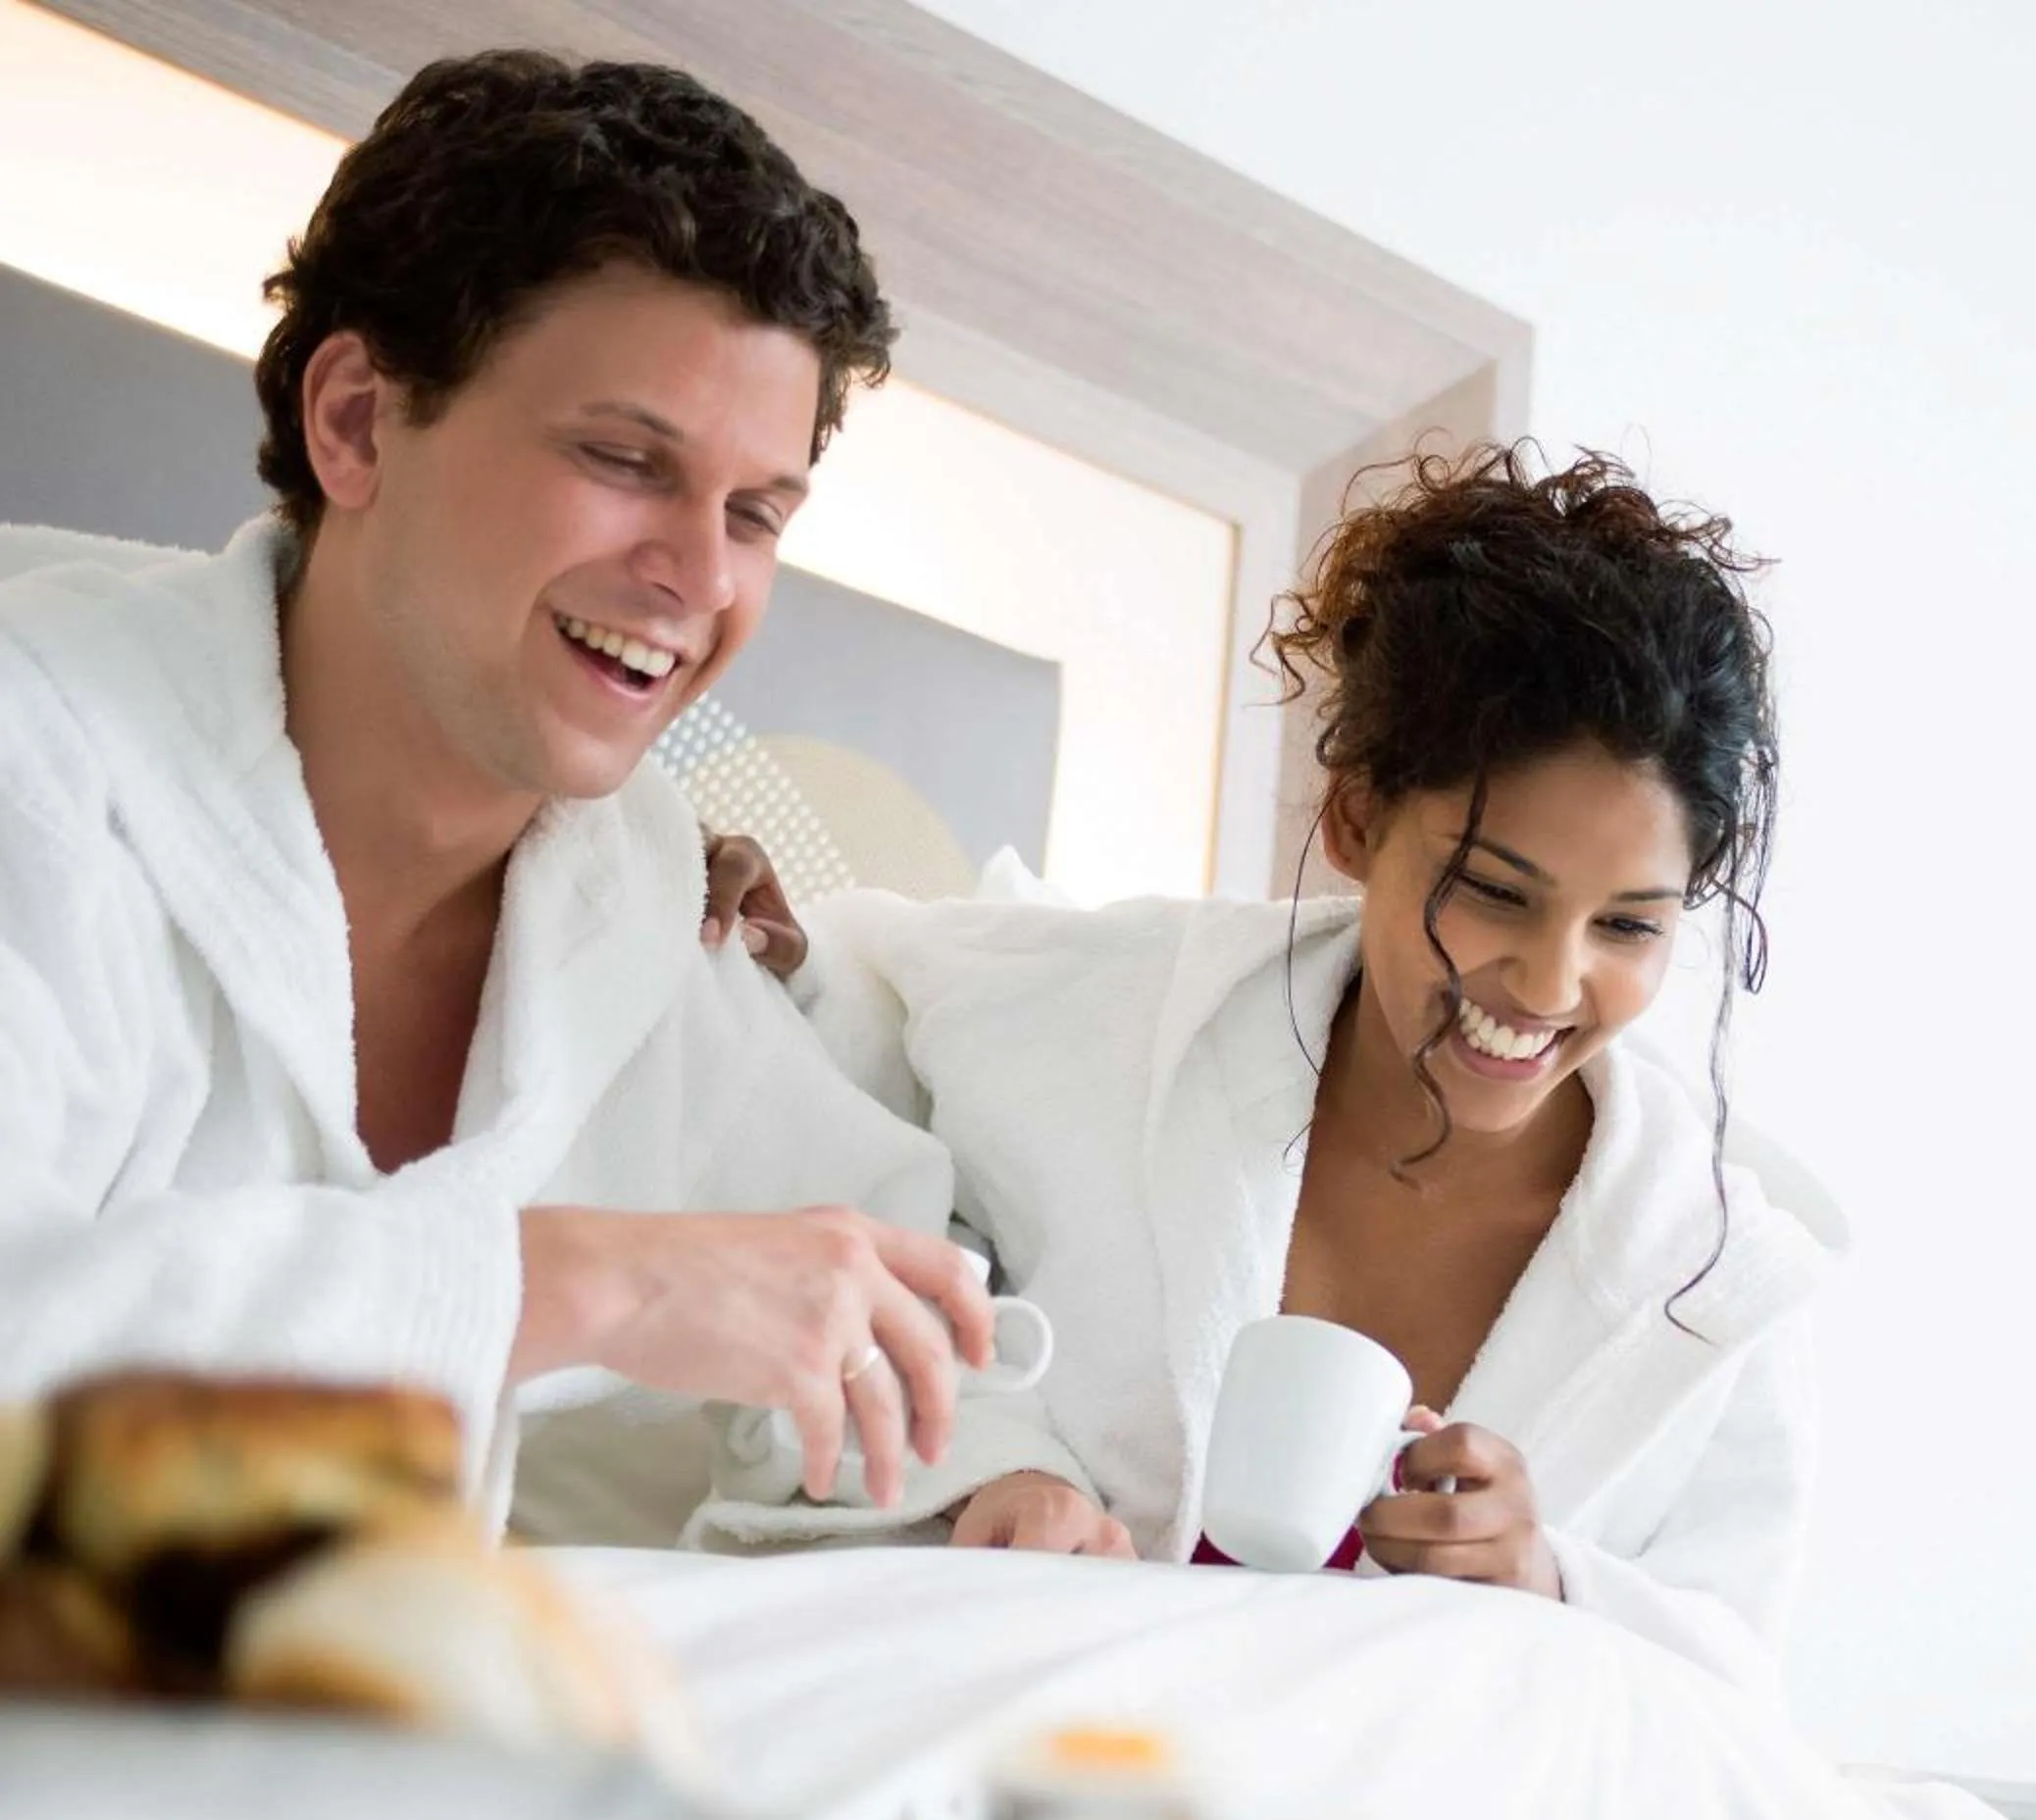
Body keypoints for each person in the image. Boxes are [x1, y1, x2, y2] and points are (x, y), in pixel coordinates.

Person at [0, 51, 1004, 1526]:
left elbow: (888, 1273)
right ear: (355, 421)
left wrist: (1006, 1482)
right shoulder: (42, 753)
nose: (704, 577)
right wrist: (577, 1282)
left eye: (754, 513)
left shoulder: (632, 891)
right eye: (622, 457)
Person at [698, 446, 1828, 1693]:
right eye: (1493, 892)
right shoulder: (1109, 1015)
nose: (1552, 988)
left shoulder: (1714, 1285)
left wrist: (1548, 1584)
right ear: (1352, 822)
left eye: (1630, 925)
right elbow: (850, 1081)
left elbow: (1735, 1697)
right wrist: (1002, 1477)